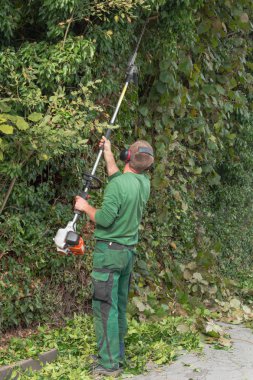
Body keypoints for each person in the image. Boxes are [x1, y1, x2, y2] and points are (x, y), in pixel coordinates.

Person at [75, 136, 154, 377]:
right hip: (127, 253)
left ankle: (109, 364)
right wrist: (107, 151)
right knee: (117, 305)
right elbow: (118, 177)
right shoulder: (142, 182)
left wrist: (84, 207)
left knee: (105, 307)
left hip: (109, 253)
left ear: (127, 157)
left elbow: (105, 219)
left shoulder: (118, 186)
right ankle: (115, 353)